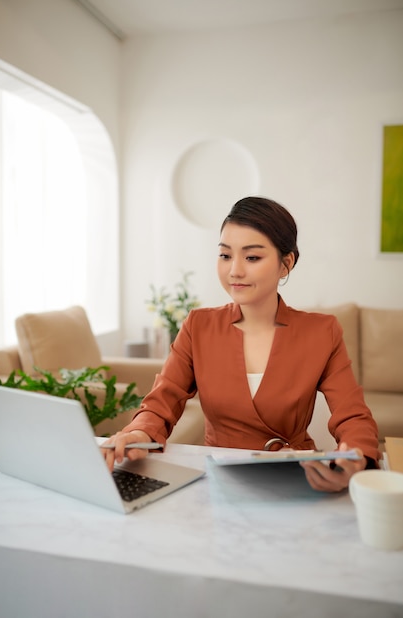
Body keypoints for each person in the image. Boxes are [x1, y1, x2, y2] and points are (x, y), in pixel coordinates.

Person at [102, 196, 380, 492]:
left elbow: (353, 417)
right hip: (221, 480)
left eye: (252, 257)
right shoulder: (199, 326)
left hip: (296, 476)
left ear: (286, 263)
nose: (234, 270)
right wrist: (137, 432)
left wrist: (354, 460)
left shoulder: (322, 331)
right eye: (225, 255)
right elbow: (161, 403)